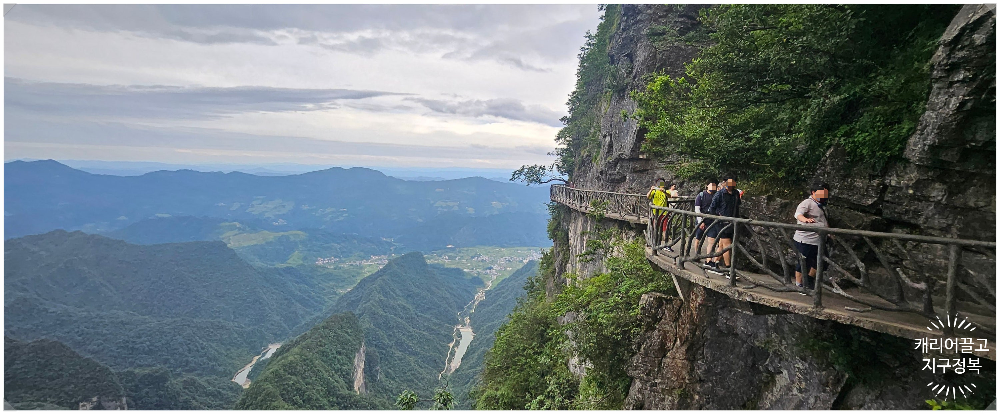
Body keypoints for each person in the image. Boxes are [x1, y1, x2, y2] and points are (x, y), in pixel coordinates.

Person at [793, 183, 830, 291]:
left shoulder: (822, 205)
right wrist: (805, 220)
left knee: (823, 261)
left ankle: (809, 280)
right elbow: (798, 214)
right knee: (803, 262)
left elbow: (824, 221)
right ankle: (799, 285)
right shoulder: (807, 203)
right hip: (805, 239)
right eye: (822, 192)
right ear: (813, 192)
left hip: (819, 240)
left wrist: (830, 234)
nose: (824, 195)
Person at [705, 176, 741, 275]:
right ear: (725, 183)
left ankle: (713, 263)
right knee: (727, 245)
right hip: (721, 223)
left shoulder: (736, 193)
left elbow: (737, 207)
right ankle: (729, 270)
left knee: (721, 245)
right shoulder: (719, 194)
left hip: (732, 223)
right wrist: (718, 217)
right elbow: (712, 209)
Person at [693, 180, 718, 266]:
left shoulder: (716, 195)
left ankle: (708, 260)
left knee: (711, 240)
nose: (713, 187)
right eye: (711, 185)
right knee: (698, 239)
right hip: (701, 220)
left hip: (711, 221)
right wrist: (700, 221)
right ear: (707, 186)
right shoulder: (701, 195)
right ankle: (697, 254)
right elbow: (697, 209)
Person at [646, 178, 673, 252]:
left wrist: (664, 191)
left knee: (665, 229)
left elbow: (670, 196)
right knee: (656, 229)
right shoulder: (654, 191)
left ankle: (666, 245)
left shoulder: (666, 191)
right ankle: (655, 244)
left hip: (664, 213)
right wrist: (651, 190)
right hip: (656, 213)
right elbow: (648, 196)